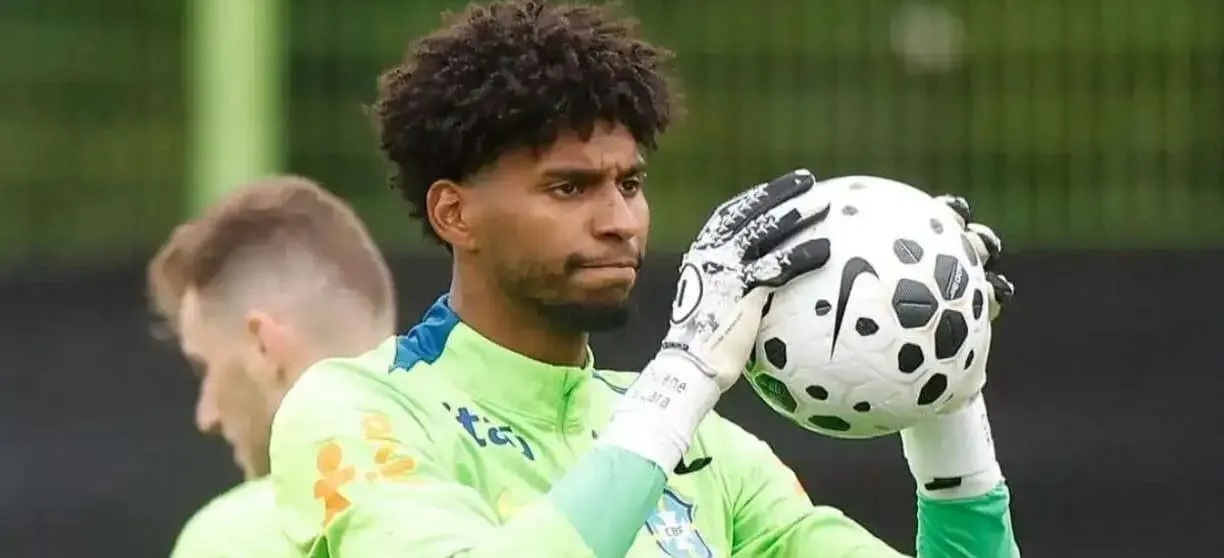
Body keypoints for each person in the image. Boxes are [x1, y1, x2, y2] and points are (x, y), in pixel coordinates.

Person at [269, 1, 1019, 556]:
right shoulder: (361, 408)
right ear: (454, 214)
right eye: (569, 188)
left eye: (630, 183)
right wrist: (683, 377)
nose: (620, 220)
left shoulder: (710, 452)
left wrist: (945, 388)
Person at [147, 176, 397, 557]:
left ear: (264, 347)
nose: (207, 415)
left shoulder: (232, 540)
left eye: (206, 369)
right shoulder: (494, 482)